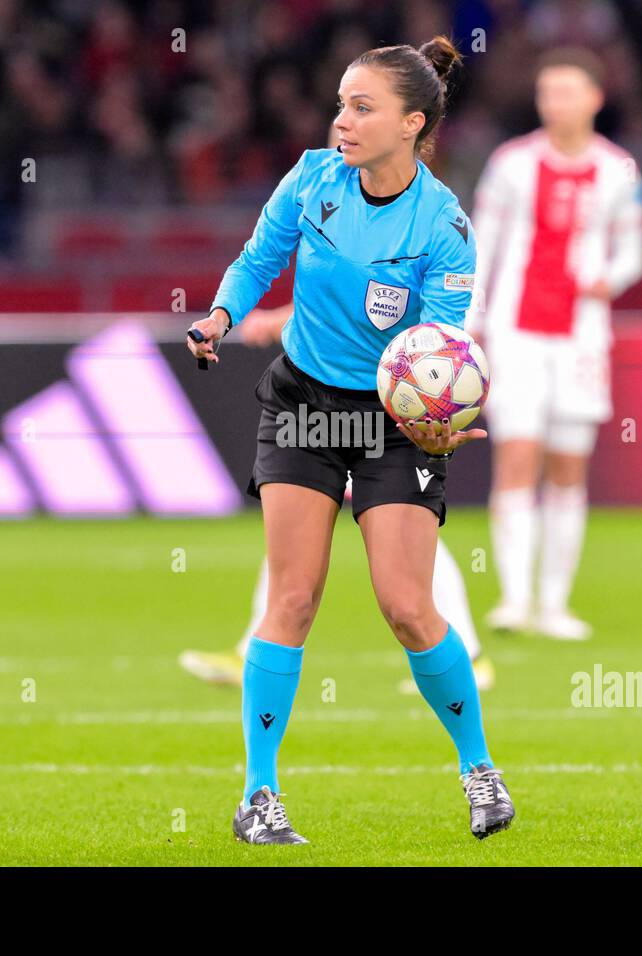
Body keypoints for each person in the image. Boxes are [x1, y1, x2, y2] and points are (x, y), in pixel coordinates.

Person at [187, 36, 514, 845]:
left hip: (392, 422)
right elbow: (260, 256)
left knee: (407, 608)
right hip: (303, 402)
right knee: (290, 598)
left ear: (412, 123)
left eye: (362, 107)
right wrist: (222, 314)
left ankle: (479, 770)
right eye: (341, 102)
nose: (343, 120)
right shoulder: (312, 177)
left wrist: (440, 412)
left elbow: (439, 347)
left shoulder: (444, 225)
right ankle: (258, 797)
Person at [179, 300, 495, 696]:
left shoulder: (433, 249)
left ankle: (469, 652)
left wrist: (274, 320)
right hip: (348, 407)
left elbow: (364, 306)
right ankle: (253, 646)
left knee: (401, 538)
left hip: (375, 412)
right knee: (299, 536)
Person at [467, 47, 642, 641]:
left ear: (596, 97)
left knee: (568, 468)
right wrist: (471, 317)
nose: (555, 103)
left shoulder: (620, 170)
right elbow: (481, 244)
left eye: (567, 92)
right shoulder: (512, 164)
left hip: (582, 337)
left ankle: (555, 605)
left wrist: (610, 278)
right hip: (517, 333)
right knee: (518, 457)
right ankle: (515, 600)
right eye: (547, 92)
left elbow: (633, 251)